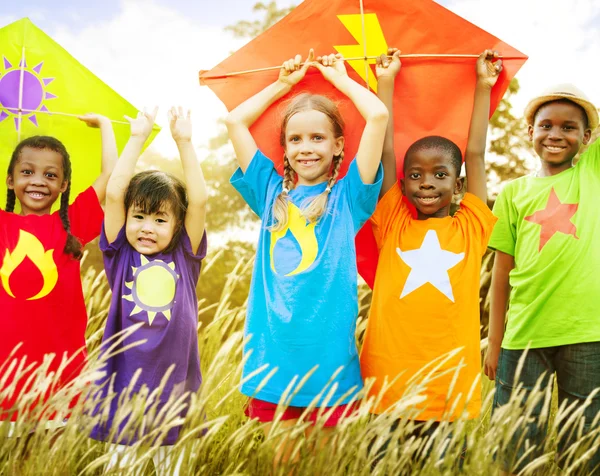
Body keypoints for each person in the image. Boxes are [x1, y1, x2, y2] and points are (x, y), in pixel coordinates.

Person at [225, 49, 388, 466]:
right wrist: (282, 84)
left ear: (338, 146)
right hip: (273, 359)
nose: (306, 148)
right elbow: (235, 121)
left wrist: (339, 80)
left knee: (324, 467)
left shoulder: (350, 196)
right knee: (283, 466)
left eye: (318, 138)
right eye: (295, 139)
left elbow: (378, 118)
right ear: (284, 148)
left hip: (330, 361)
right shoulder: (269, 192)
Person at [360, 50, 502, 462]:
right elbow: (386, 152)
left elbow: (474, 153)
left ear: (458, 187)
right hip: (388, 379)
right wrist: (385, 81)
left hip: (449, 382)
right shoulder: (392, 222)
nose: (427, 183)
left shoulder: (471, 226)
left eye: (440, 175)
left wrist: (483, 85)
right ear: (403, 186)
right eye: (416, 175)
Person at [484, 84, 600, 474]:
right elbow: (502, 271)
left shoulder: (592, 171)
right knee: (516, 444)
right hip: (523, 334)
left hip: (586, 333)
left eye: (569, 128)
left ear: (587, 138)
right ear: (528, 131)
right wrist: (494, 341)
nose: (555, 134)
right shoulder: (513, 192)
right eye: (545, 125)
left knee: (583, 445)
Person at [90, 107, 207, 475]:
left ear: (176, 225)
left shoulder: (185, 254)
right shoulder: (118, 252)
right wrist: (136, 138)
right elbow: (114, 194)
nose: (147, 227)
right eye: (138, 216)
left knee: (174, 468)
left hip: (176, 389)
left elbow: (199, 201)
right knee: (122, 468)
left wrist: (184, 141)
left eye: (160, 220)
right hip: (124, 386)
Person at [0, 114, 117, 432]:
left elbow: (111, 175)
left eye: (50, 175)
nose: (38, 181)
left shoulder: (72, 225)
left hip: (59, 375)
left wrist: (105, 125)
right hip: (5, 375)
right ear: (10, 180)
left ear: (64, 185)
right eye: (27, 172)